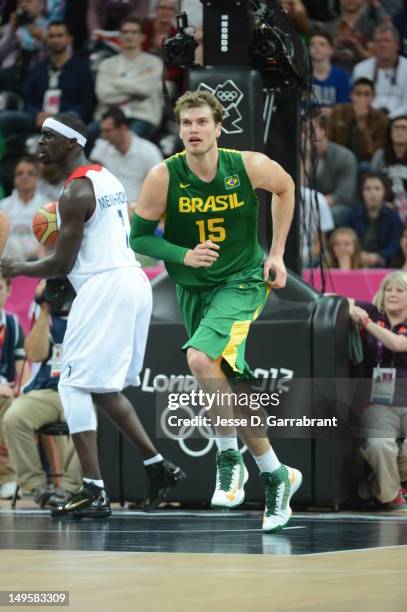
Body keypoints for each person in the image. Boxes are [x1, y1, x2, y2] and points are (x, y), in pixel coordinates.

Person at [130, 90, 302, 534]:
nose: (193, 130)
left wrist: (278, 254)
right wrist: (183, 255)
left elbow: (285, 188)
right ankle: (276, 473)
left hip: (243, 280)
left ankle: (229, 457)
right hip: (193, 288)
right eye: (187, 123)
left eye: (202, 122)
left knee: (200, 359)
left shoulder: (246, 165)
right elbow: (140, 238)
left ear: (218, 127)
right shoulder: (162, 176)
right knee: (228, 387)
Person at [0, 112, 186, 518]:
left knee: (72, 383)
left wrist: (16, 267)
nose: (40, 142)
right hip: (130, 283)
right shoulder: (106, 177)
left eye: (49, 136)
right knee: (100, 389)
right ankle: (158, 467)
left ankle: (93, 490)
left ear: (71, 143)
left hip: (106, 287)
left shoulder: (75, 191)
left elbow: (60, 262)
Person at [2, 278, 83, 508]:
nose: (64, 296)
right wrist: (46, 309)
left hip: (81, 390)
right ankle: (37, 486)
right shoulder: (48, 317)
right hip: (48, 390)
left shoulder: (91, 311)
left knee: (89, 422)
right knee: (14, 416)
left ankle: (69, 488)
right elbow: (35, 355)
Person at [348, 270, 407, 509]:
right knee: (379, 445)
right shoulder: (373, 311)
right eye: (388, 289)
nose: (392, 294)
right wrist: (348, 307)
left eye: (400, 290)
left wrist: (364, 322)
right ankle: (391, 496)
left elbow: (397, 344)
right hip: (378, 403)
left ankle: (381, 480)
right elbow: (330, 297)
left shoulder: (369, 319)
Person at [94, 16, 164, 140]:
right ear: (119, 37)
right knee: (86, 135)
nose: (129, 36)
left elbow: (145, 90)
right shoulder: (106, 64)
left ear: (143, 37)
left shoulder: (154, 63)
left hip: (142, 115)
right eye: (125, 32)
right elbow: (104, 95)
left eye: (134, 32)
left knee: (127, 139)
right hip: (108, 116)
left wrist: (116, 82)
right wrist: (135, 88)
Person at [90, 106, 163, 204]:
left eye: (108, 131)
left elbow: (160, 186)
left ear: (122, 128)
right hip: (108, 207)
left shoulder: (148, 151)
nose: (104, 135)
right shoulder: (101, 147)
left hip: (138, 208)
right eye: (102, 131)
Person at [0, 274, 30, 499]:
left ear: (9, 290)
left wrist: (24, 391)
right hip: (2, 393)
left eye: (0, 288)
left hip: (7, 392)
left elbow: (22, 370)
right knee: (6, 404)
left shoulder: (12, 324)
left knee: (19, 405)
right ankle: (8, 477)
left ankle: (29, 481)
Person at [345, 171, 403, 267]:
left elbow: (395, 244)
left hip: (384, 261)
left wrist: (379, 256)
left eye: (377, 188)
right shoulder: (352, 214)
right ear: (362, 192)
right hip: (356, 259)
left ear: (385, 191)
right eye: (367, 189)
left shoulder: (393, 217)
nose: (372, 193)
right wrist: (358, 254)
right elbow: (344, 236)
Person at [327, 77, 388, 165]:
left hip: (365, 162)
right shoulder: (338, 111)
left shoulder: (381, 119)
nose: (362, 98)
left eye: (367, 94)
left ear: (373, 97)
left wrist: (361, 124)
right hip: (338, 159)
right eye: (358, 94)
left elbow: (373, 153)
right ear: (351, 95)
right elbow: (330, 141)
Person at [352, 24, 407, 117]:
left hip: (401, 121)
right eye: (378, 41)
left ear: (397, 45)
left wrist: (389, 118)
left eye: (387, 41)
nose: (382, 45)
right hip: (369, 120)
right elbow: (359, 101)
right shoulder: (361, 68)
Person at [0, 156, 48, 261]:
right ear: (14, 178)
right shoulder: (3, 206)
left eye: (30, 173)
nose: (24, 177)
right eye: (20, 173)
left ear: (38, 178)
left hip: (38, 265)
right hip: (6, 265)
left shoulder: (48, 206)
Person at [371, 114, 407, 223]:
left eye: (403, 128)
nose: (399, 131)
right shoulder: (380, 155)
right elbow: (372, 181)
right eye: (396, 127)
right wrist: (383, 203)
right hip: (384, 205)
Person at [309, 31, 350, 112]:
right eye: (312, 44)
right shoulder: (303, 75)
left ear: (331, 50)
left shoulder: (341, 76)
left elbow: (344, 106)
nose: (316, 47)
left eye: (322, 44)